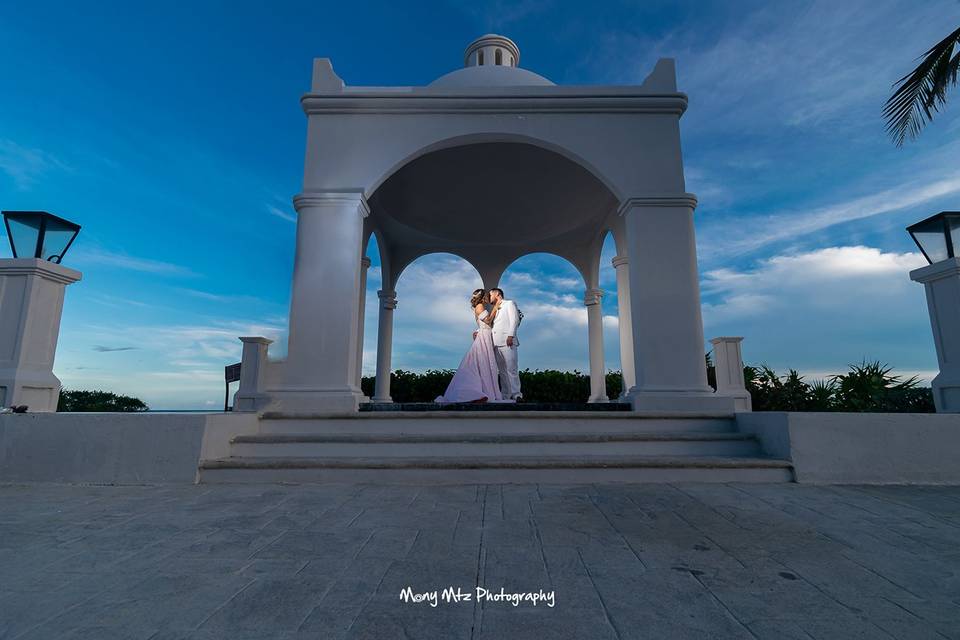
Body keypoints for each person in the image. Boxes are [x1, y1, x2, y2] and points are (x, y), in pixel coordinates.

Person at [434, 289, 503, 404]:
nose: (487, 298)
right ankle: (474, 392)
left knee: (483, 364)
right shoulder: (480, 307)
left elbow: (482, 324)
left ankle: (483, 390)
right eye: (486, 296)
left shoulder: (480, 307)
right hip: (484, 337)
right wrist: (495, 308)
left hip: (485, 335)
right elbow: (488, 321)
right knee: (480, 363)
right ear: (482, 297)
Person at [487, 288, 522, 401]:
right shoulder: (494, 309)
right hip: (496, 343)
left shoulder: (509, 304)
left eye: (490, 294)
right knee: (502, 371)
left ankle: (517, 395)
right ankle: (505, 395)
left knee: (511, 369)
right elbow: (489, 326)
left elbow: (514, 320)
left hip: (508, 341)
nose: (489, 297)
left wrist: (511, 335)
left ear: (497, 294)